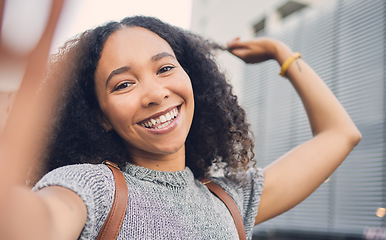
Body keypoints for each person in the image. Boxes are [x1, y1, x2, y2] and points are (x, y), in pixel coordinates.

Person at [1, 15, 361, 240]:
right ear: (100, 117)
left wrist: (282, 53)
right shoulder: (92, 188)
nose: (156, 93)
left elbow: (341, 134)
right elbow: (27, 227)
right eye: (124, 84)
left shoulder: (231, 200)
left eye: (165, 68)